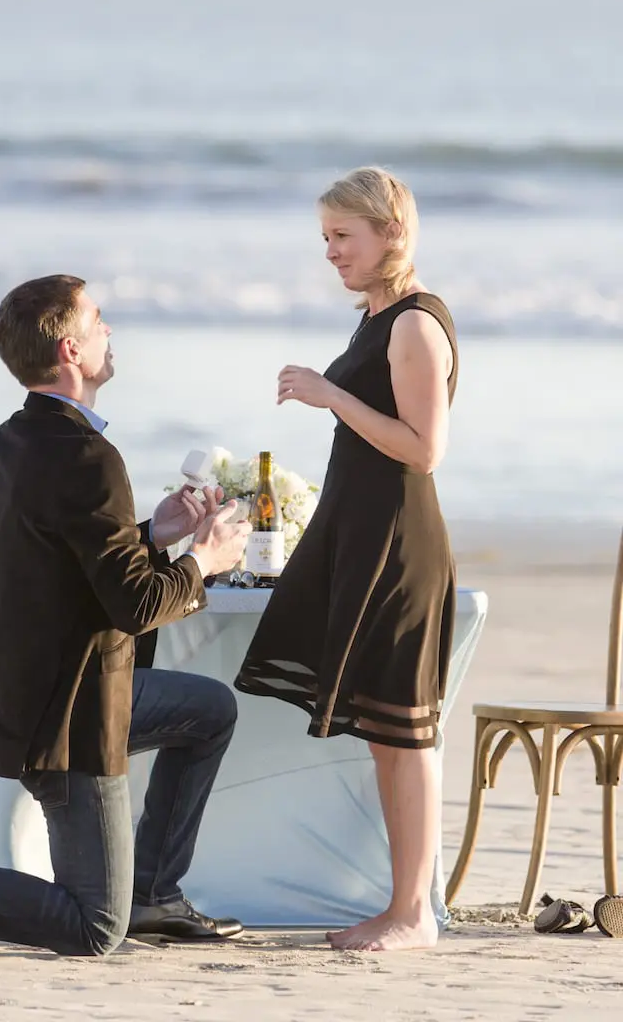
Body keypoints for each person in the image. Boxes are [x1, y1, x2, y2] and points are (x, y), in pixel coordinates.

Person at [0, 273, 250, 958]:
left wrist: (152, 535)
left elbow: (58, 566)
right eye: (98, 322)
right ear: (70, 348)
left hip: (42, 696)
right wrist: (203, 561)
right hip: (73, 716)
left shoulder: (14, 439)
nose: (110, 332)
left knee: (209, 711)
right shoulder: (88, 456)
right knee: (93, 928)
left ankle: (153, 891)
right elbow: (137, 606)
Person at [235, 167, 458, 953]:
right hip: (364, 539)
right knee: (384, 736)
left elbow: (424, 452)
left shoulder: (414, 325)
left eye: (343, 238)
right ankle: (403, 907)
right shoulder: (378, 315)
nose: (331, 253)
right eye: (325, 239)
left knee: (407, 734)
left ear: (390, 234)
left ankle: (413, 913)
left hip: (401, 546)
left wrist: (331, 395)